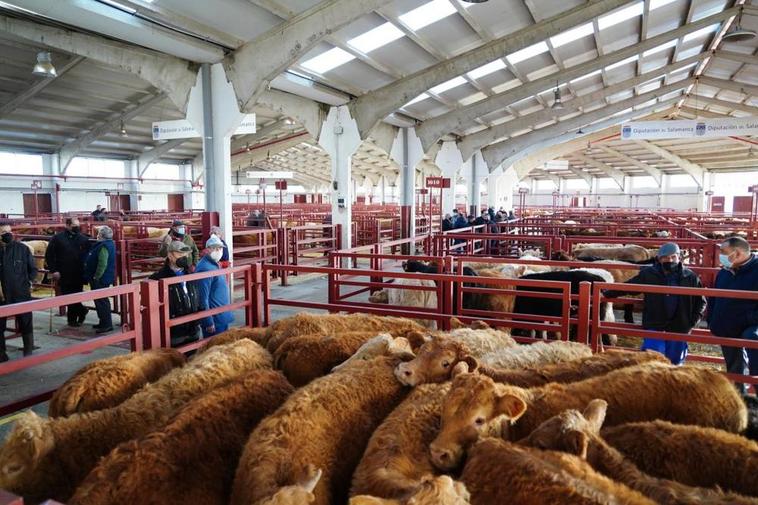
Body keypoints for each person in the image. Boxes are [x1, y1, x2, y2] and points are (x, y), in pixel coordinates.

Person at [605, 243, 706, 365]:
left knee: (675, 362)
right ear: (659, 259)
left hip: (679, 326)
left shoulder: (690, 276)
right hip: (655, 324)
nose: (670, 260)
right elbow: (629, 287)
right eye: (665, 257)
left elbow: (701, 301)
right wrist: (606, 294)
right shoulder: (649, 274)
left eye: (673, 257)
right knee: (652, 360)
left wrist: (692, 321)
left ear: (679, 257)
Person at [707, 236, 758, 393]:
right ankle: (740, 399)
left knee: (755, 363)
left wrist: (748, 319)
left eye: (724, 252)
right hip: (727, 326)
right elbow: (715, 296)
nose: (720, 255)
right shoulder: (725, 271)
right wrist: (712, 319)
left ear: (737, 253)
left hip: (750, 327)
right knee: (734, 367)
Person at [150, 241, 200, 347]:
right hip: (174, 330)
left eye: (186, 254)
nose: (184, 257)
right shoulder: (158, 278)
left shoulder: (191, 274)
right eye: (180, 254)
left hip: (193, 328)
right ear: (170, 255)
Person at [0, 223, 37, 361]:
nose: (7, 234)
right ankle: (1, 354)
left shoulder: (22, 249)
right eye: (3, 232)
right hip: (1, 295)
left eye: (9, 231)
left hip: (20, 292)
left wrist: (29, 282)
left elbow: (32, 269)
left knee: (25, 321)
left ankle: (28, 351)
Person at [45, 217, 91, 327]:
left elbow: (88, 256)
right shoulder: (57, 238)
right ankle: (82, 311)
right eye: (74, 225)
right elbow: (49, 255)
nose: (77, 227)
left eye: (78, 225)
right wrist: (54, 270)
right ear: (68, 225)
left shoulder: (83, 239)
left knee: (76, 295)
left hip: (78, 273)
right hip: (63, 272)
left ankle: (72, 320)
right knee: (67, 296)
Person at [195, 236, 234, 338]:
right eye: (215, 248)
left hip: (221, 315)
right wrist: (208, 321)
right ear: (208, 249)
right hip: (215, 319)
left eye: (220, 248)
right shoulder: (205, 269)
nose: (219, 251)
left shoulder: (214, 264)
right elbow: (203, 298)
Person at [84, 225, 116, 334]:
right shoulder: (108, 244)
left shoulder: (104, 246)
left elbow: (102, 263)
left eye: (98, 233)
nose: (97, 235)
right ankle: (103, 322)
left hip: (101, 278)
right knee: (100, 300)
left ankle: (106, 324)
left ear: (101, 235)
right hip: (103, 277)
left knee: (102, 300)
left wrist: (96, 276)